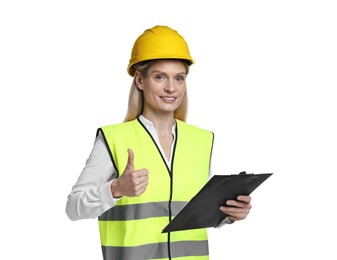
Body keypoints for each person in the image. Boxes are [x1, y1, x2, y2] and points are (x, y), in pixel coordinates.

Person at [65, 25, 252, 260]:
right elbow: (73, 208)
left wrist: (229, 213)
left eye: (179, 78)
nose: (171, 88)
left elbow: (194, 212)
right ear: (140, 80)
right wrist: (116, 189)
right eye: (160, 77)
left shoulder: (202, 140)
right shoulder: (114, 139)